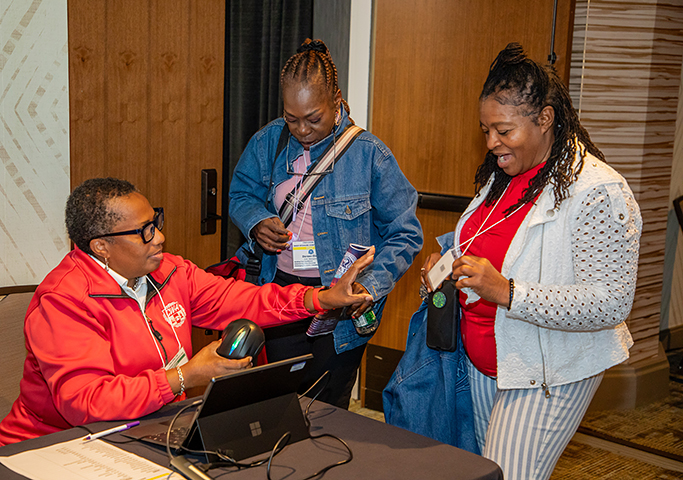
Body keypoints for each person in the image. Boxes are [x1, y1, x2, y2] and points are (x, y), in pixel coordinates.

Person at [0, 178, 374, 445]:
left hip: (147, 429)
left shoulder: (169, 271)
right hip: (57, 444)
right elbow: (87, 403)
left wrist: (320, 299)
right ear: (101, 247)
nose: (159, 237)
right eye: (144, 231)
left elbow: (242, 299)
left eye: (156, 222)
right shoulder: (63, 301)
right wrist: (185, 376)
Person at [420, 43, 642, 480]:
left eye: (503, 130)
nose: (491, 143)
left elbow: (611, 303)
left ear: (544, 119)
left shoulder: (598, 191)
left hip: (546, 370)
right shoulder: (503, 177)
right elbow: (497, 246)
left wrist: (506, 291)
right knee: (486, 471)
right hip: (487, 363)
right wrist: (449, 264)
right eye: (486, 130)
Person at [229, 39, 422, 408]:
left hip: (341, 303)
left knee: (328, 406)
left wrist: (370, 286)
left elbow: (406, 234)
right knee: (280, 401)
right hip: (280, 292)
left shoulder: (370, 155)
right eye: (292, 118)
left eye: (313, 118)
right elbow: (241, 194)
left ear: (336, 101)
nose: (302, 129)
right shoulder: (268, 141)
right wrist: (257, 221)